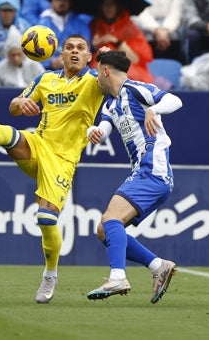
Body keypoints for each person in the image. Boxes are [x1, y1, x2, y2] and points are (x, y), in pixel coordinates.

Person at [0, 35, 104, 304]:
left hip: (62, 160)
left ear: (88, 56)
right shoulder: (45, 79)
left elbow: (118, 78)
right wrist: (20, 104)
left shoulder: (95, 81)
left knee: (45, 219)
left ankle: (50, 273)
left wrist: (108, 58)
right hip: (39, 144)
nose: (74, 52)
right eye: (69, 48)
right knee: (12, 136)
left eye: (80, 49)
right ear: (60, 54)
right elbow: (14, 106)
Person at [84, 49, 180, 303]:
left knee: (111, 219)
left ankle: (118, 277)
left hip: (153, 169)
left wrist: (153, 109)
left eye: (96, 71)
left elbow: (175, 100)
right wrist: (94, 132)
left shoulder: (136, 89)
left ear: (105, 70)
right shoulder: (110, 104)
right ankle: (158, 266)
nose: (95, 77)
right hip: (142, 170)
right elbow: (103, 130)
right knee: (105, 229)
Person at [90, 0, 154, 83]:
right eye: (105, 4)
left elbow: (135, 59)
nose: (108, 8)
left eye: (111, 4)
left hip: (129, 74)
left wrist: (116, 41)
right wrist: (93, 45)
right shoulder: (94, 25)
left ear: (118, 6)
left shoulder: (129, 27)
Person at [36, 0, 91, 69]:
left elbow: (86, 47)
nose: (61, 2)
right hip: (47, 71)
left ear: (70, 2)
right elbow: (36, 49)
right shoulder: (42, 24)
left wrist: (70, 60)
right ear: (51, 3)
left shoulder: (80, 24)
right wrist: (50, 62)